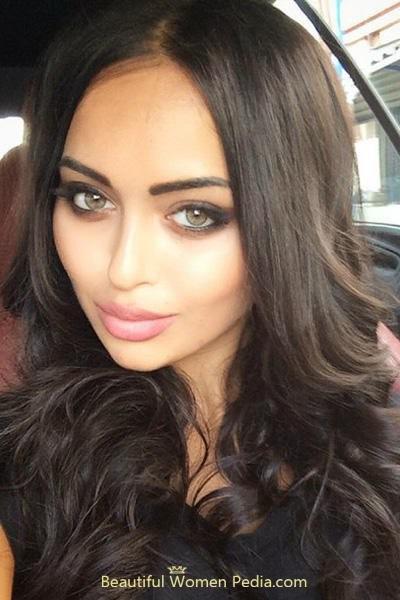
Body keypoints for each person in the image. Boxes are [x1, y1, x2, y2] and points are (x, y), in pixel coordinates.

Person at [0, 0, 400, 598]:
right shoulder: (24, 467)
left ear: (289, 220)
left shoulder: (380, 430)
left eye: (195, 213)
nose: (122, 270)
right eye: (88, 198)